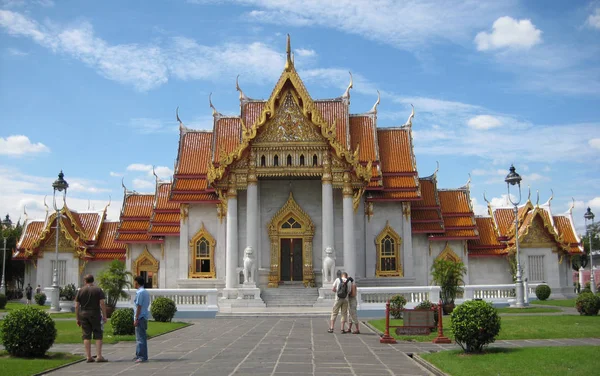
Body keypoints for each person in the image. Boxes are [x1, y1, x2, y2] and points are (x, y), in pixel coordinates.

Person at [75, 274, 108, 363]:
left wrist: (77, 318)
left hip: (84, 313)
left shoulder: (81, 290)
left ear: (85, 281)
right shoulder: (98, 290)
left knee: (86, 335)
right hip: (95, 313)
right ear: (93, 280)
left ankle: (88, 356)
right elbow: (102, 303)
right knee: (98, 334)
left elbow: (77, 306)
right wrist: (105, 316)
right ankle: (99, 356)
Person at [133, 275, 150, 363]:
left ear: (137, 282)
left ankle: (141, 356)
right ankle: (140, 354)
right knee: (141, 337)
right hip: (144, 316)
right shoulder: (145, 292)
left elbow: (139, 306)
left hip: (140, 317)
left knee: (140, 338)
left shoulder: (140, 293)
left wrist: (136, 318)